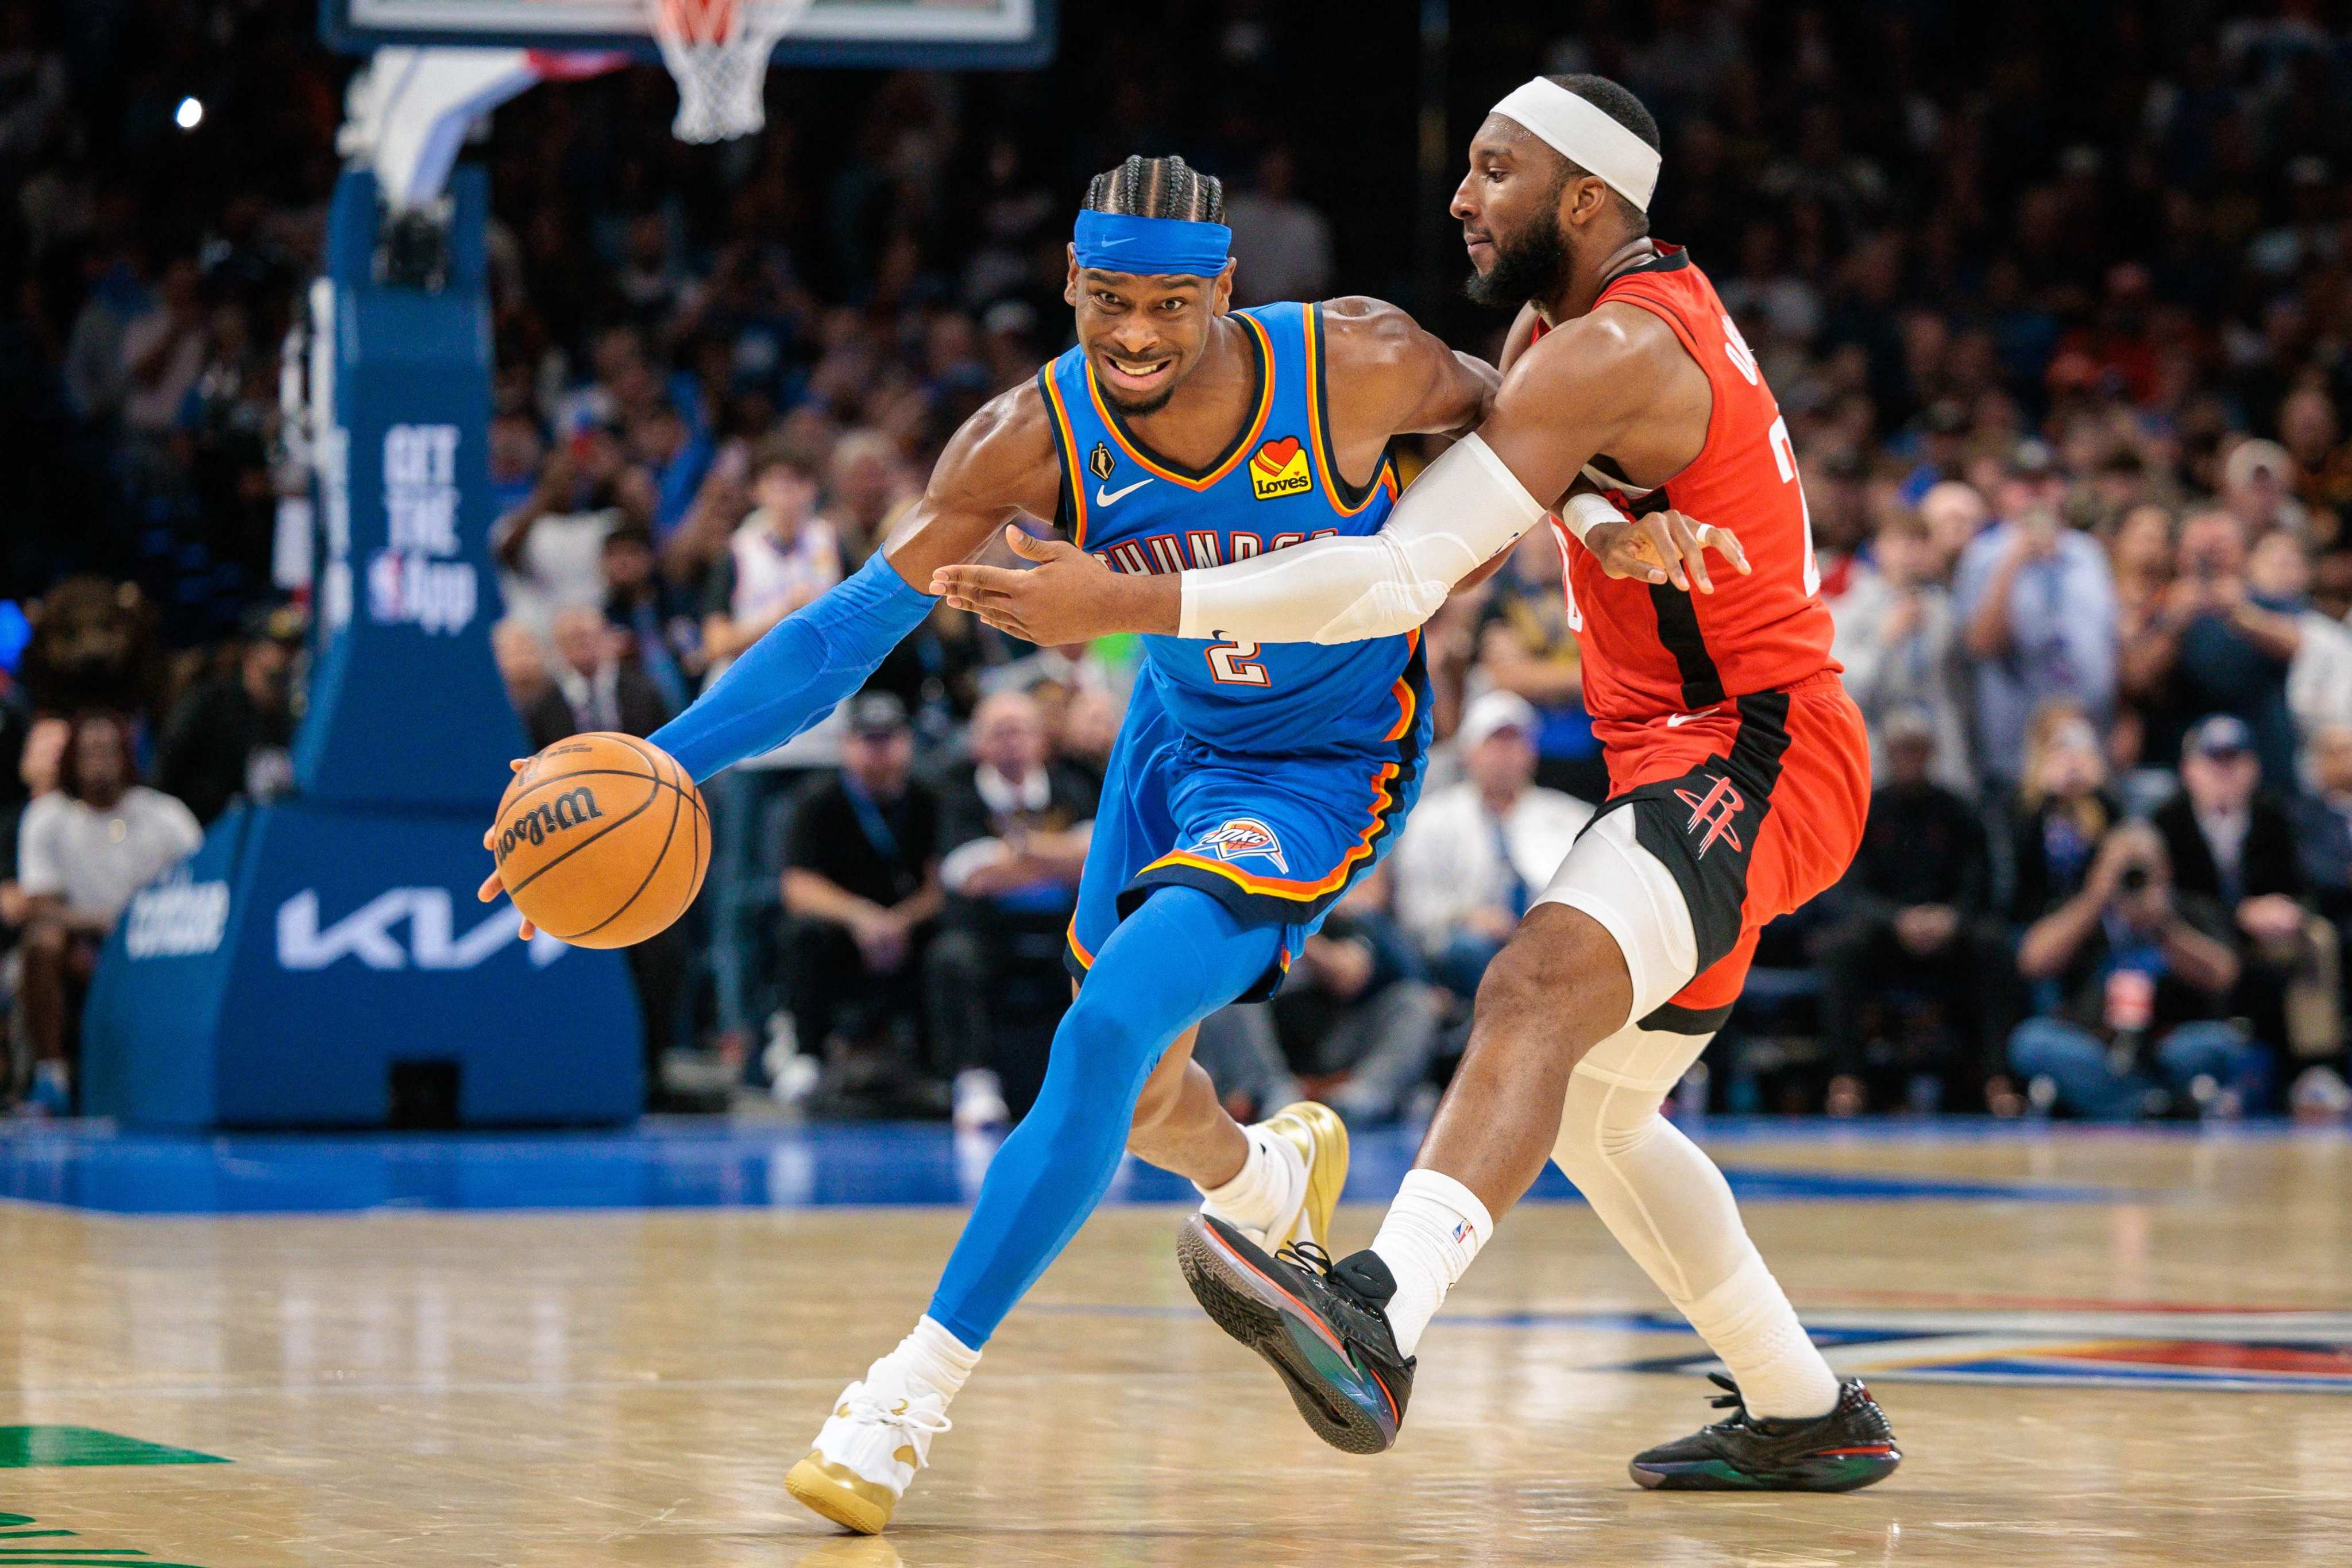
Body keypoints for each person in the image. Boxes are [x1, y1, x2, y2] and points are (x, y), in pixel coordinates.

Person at [477, 153, 1497, 1534]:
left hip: (1322, 762)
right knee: (1136, 1094)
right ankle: (1264, 1174)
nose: (1135, 334)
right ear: (1069, 283)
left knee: (1104, 1031)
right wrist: (664, 758)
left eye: (1170, 306)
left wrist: (1625, 518)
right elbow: (845, 632)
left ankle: (906, 1396)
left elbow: (1530, 429)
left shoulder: (1359, 365)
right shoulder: (1028, 439)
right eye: (1108, 301)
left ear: (1227, 293)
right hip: (1170, 746)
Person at [937, 77, 1901, 1488]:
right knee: (1589, 1111)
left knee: (1534, 987)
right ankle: (1805, 1409)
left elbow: (1397, 579)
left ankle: (1378, 1315)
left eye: (1494, 170)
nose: (1462, 197)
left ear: (1584, 200)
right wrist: (1593, 518)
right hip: (1687, 756)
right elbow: (1501, 453)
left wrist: (1132, 595)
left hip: (1758, 751)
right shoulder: (1562, 338)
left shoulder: (1610, 347)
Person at [1816, 709, 2005, 1114]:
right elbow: (1848, 888)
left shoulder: (1957, 811)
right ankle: (1846, 1077)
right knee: (1838, 949)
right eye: (1900, 750)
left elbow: (1978, 883)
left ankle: (1996, 1076)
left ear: (1930, 753)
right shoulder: (1865, 810)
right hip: (1885, 934)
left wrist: (1949, 918)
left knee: (1994, 947)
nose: (1908, 758)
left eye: (1915, 750)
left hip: (1948, 933)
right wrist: (1895, 920)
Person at [925, 689, 1099, 1130]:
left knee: (1109, 954)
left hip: (1065, 929)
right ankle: (974, 1079)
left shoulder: (1073, 786)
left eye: (1019, 731)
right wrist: (1057, 861)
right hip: (989, 933)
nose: (1010, 743)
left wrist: (1017, 853)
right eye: (997, 733)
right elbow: (969, 875)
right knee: (951, 959)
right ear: (979, 743)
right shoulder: (957, 793)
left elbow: (1097, 862)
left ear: (1041, 739)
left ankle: (1093, 1079)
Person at [2007, 821, 2256, 1119]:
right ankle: (2154, 1105)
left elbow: (2224, 975)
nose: (2132, 879)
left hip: (2165, 1047)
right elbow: (2032, 961)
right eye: (2122, 869)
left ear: (2165, 870)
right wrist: (2095, 899)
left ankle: (2106, 1103)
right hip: (2093, 1048)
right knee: (2031, 1041)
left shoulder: (2190, 910)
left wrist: (2164, 926)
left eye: (2142, 869)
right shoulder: (2080, 911)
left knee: (2220, 1043)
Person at [14, 713, 201, 1111]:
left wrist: (138, 927)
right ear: (71, 761)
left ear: (127, 757)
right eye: (88, 751)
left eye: (108, 750)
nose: (98, 760)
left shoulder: (166, 816)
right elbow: (42, 906)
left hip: (155, 944)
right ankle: (52, 1077)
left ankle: (181, 1078)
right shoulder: (48, 817)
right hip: (85, 944)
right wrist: (99, 922)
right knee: (41, 943)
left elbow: (203, 887)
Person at [778, 692, 944, 1111]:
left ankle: (947, 1067)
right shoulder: (816, 800)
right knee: (801, 935)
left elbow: (944, 882)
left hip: (909, 929)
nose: (879, 751)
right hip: (844, 932)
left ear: (907, 742)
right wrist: (861, 917)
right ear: (847, 744)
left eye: (888, 739)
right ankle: (806, 1055)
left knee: (952, 943)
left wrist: (901, 922)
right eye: (868, 739)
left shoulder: (928, 797)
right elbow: (797, 886)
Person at [1389, 690, 1592, 997]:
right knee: (1471, 950)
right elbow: (1414, 910)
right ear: (1470, 751)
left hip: (1548, 941)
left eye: (1515, 742)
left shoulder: (1570, 818)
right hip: (1460, 945)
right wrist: (1468, 915)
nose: (1505, 754)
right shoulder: (1432, 818)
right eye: (1495, 742)